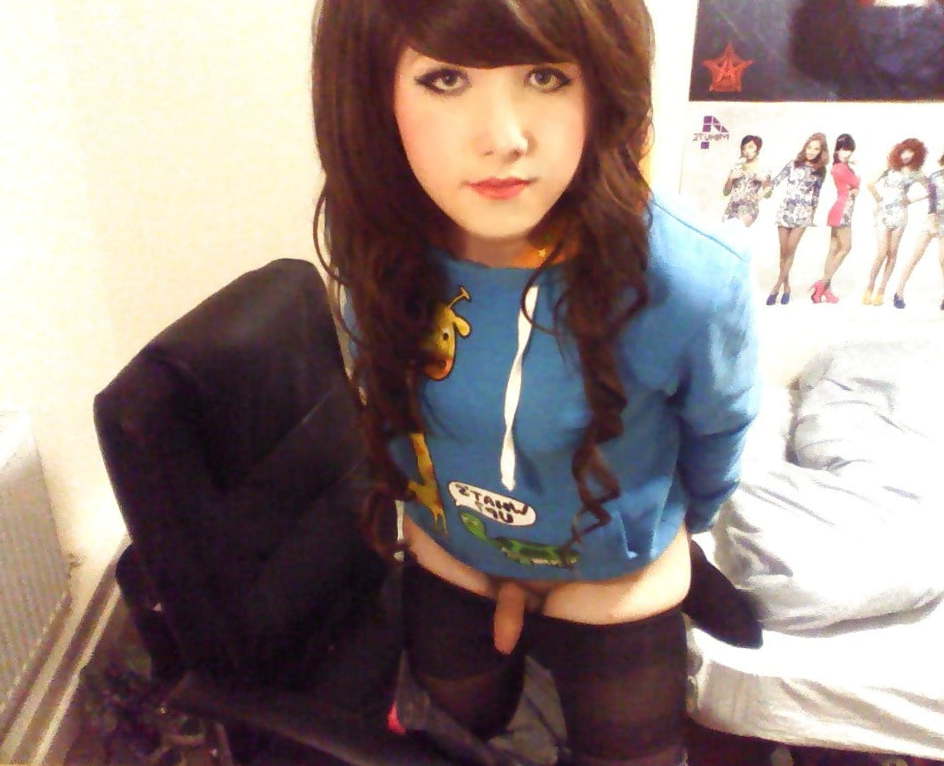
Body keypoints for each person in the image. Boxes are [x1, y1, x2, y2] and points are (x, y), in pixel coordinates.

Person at [312, 2, 760, 764]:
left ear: (603, 85)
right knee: (454, 734)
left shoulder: (692, 280)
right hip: (455, 547)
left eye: (546, 76)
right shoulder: (380, 249)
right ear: (371, 91)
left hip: (613, 569)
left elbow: (718, 434)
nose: (504, 138)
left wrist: (681, 530)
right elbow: (387, 409)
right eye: (446, 79)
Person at [863, 138, 928, 305]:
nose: (907, 155)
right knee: (881, 253)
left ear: (917, 154)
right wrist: (879, 200)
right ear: (899, 150)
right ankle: (869, 287)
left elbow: (931, 190)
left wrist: (910, 200)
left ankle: (881, 290)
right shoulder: (890, 166)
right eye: (905, 151)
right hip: (884, 214)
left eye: (911, 152)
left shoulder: (916, 172)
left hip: (900, 215)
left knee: (892, 254)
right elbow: (870, 183)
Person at [766, 133, 829, 305]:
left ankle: (776, 287)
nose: (811, 151)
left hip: (803, 214)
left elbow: (816, 195)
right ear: (805, 147)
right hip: (785, 210)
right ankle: (787, 287)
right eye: (809, 147)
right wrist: (766, 184)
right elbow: (776, 181)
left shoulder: (820, 170)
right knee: (783, 252)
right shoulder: (793, 164)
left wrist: (812, 215)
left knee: (791, 250)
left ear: (821, 152)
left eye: (816, 149)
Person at [812, 133, 860, 303]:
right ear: (837, 150)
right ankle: (822, 283)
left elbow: (854, 188)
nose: (847, 153)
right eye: (844, 149)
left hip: (840, 209)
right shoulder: (840, 168)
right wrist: (855, 182)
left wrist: (854, 188)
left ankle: (825, 290)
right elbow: (856, 182)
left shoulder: (843, 167)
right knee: (846, 247)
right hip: (842, 211)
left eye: (850, 150)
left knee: (833, 250)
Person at [893, 151, 944, 308]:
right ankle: (898, 292)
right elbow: (931, 196)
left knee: (943, 259)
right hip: (932, 218)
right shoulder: (935, 176)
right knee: (915, 255)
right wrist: (912, 200)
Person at [722, 135, 769, 227]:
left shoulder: (763, 168)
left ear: (758, 148)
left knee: (738, 229)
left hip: (748, 208)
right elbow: (726, 192)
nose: (747, 151)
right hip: (731, 207)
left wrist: (763, 181)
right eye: (744, 148)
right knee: (724, 231)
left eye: (750, 147)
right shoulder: (737, 165)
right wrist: (730, 179)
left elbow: (768, 195)